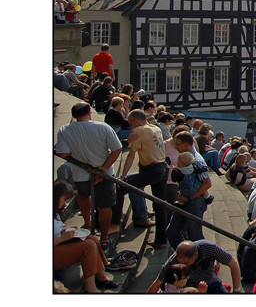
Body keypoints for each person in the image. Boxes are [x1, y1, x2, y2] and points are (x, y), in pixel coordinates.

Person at [55, 102, 123, 246]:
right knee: (105, 205)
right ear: (89, 112)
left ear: (74, 116)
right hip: (104, 172)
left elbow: (63, 153)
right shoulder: (103, 127)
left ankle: (87, 223)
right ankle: (104, 237)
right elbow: (117, 149)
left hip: (80, 172)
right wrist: (103, 168)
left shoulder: (64, 130)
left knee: (83, 195)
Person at [117, 109, 170, 248]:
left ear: (136, 120)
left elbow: (131, 155)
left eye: (130, 122)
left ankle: (114, 223)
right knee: (160, 204)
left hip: (151, 169)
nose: (130, 126)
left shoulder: (139, 130)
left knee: (120, 187)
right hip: (162, 167)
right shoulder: (155, 127)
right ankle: (161, 240)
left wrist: (122, 176)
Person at [53, 180, 118, 293]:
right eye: (64, 199)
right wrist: (63, 238)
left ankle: (100, 275)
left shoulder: (55, 212)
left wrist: (66, 231)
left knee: (92, 238)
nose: (66, 203)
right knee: (88, 246)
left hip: (58, 244)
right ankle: (91, 286)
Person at [164, 130, 213, 248]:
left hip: (195, 202)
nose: (176, 147)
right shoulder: (185, 158)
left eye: (178, 144)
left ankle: (201, 261)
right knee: (172, 231)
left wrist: (190, 198)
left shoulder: (197, 161)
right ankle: (185, 256)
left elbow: (207, 183)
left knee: (195, 235)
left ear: (186, 144)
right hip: (185, 200)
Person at [148, 240, 242, 293]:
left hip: (211, 282)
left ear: (196, 255)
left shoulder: (209, 248)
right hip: (188, 289)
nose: (184, 266)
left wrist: (237, 290)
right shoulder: (173, 262)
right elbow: (156, 284)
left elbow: (233, 263)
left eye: (186, 263)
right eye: (181, 262)